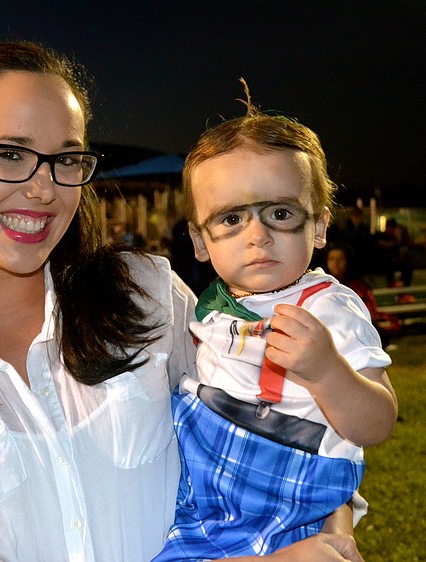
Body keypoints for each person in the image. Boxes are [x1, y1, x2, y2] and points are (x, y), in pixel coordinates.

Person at [0, 41, 365, 562]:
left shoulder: (145, 295)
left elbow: (271, 431)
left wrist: (331, 527)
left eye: (66, 159)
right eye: (10, 155)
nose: (43, 188)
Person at [153, 87, 398, 560]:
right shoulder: (211, 305)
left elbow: (377, 422)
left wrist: (328, 371)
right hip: (206, 485)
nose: (258, 235)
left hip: (283, 489)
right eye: (231, 219)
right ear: (200, 241)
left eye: (280, 213)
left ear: (321, 226)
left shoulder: (329, 307)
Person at [325, 244, 402, 348]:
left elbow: (370, 309)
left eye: (340, 259)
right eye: (331, 259)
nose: (335, 263)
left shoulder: (359, 286)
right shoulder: (323, 285)